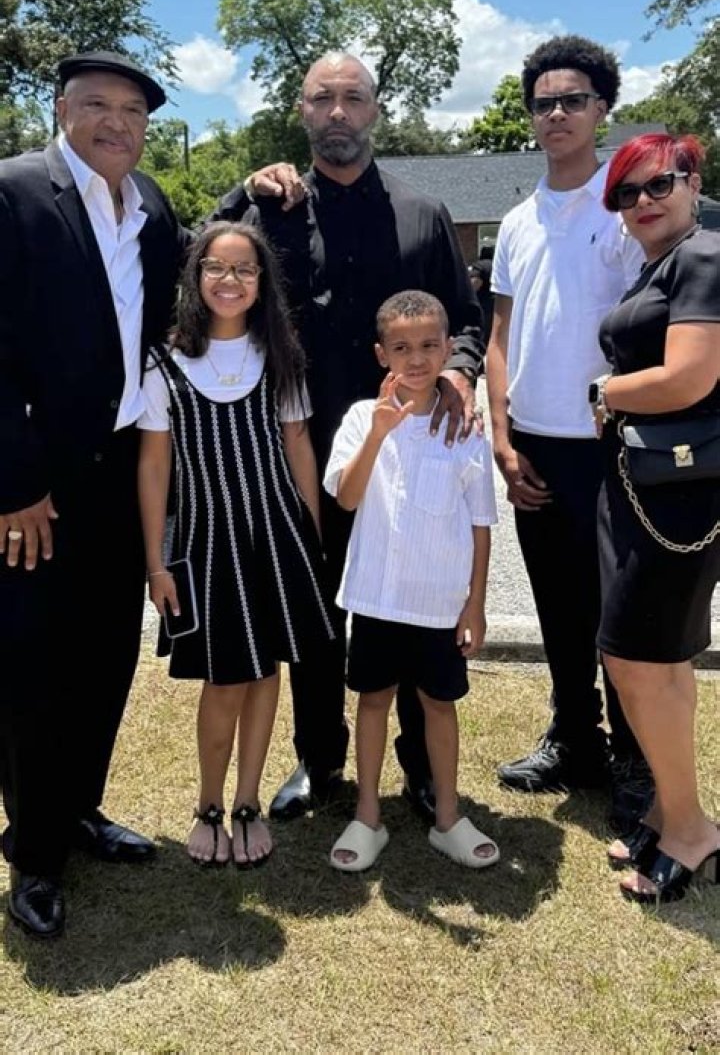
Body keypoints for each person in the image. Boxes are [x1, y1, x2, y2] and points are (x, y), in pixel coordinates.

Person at [215, 52, 484, 822]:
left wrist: (460, 370)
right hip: (303, 451)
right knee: (316, 611)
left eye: (353, 97)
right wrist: (242, 190)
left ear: (375, 110)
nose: (338, 111)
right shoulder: (266, 213)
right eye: (322, 98)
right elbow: (205, 277)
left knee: (416, 606)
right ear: (301, 110)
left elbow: (467, 319)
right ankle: (320, 757)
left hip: (413, 455)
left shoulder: (424, 213)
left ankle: (421, 766)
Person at [0, 51, 188, 938]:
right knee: (33, 668)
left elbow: (189, 287)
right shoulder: (14, 192)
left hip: (122, 470)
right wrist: (15, 482)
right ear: (62, 109)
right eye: (100, 106)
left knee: (107, 654)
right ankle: (34, 855)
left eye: (134, 112)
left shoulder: (149, 202)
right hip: (38, 483)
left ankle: (77, 807)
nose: (119, 123)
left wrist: (258, 192)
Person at [486, 35, 652, 835]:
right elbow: (498, 334)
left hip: (613, 444)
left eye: (573, 100)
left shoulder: (629, 210)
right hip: (536, 444)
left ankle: (634, 760)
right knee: (558, 605)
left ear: (602, 109)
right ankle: (575, 738)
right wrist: (501, 436)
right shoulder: (517, 220)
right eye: (544, 102)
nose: (557, 113)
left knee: (619, 611)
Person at [137, 222, 335, 868]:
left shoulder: (278, 353)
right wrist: (155, 562)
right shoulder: (164, 362)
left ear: (261, 281)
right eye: (216, 267)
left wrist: (311, 537)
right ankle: (209, 805)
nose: (230, 280)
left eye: (245, 269)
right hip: (206, 544)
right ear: (196, 275)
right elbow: (154, 466)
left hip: (276, 536)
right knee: (225, 680)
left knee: (267, 670)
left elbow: (298, 445)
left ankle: (248, 802)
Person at [323, 291, 499, 872]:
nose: (416, 359)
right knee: (372, 701)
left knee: (439, 706)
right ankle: (367, 815)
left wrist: (475, 604)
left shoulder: (465, 427)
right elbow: (346, 498)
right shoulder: (360, 419)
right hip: (377, 597)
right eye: (401, 348)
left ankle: (448, 817)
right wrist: (378, 433)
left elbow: (480, 522)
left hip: (439, 602)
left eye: (428, 346)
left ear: (448, 349)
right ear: (382, 355)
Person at [590, 134, 720, 903]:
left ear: (693, 181)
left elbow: (690, 376)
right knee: (651, 658)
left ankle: (692, 829)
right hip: (647, 483)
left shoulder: (704, 257)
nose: (642, 201)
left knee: (640, 656)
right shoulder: (663, 265)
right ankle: (675, 811)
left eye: (658, 184)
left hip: (680, 490)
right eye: (625, 193)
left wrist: (604, 392)